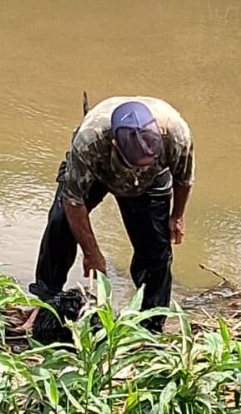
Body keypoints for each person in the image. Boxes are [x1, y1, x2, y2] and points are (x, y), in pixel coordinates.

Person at [30, 96, 194, 332]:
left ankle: (151, 324)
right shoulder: (89, 141)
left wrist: (177, 216)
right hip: (99, 170)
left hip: (152, 183)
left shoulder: (177, 134)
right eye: (137, 165)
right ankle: (46, 301)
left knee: (157, 252)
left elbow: (184, 178)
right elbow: (73, 200)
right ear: (115, 145)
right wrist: (92, 253)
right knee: (60, 225)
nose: (141, 169)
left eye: (147, 162)